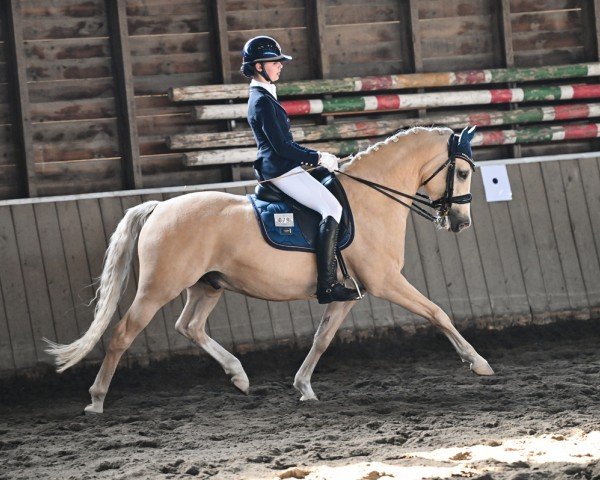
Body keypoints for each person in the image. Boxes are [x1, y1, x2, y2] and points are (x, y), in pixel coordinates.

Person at [241, 36, 360, 304]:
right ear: (259, 66)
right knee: (332, 208)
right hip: (280, 170)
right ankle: (327, 285)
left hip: (284, 166)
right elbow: (282, 147)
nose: (280, 66)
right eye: (275, 62)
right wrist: (317, 156)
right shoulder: (261, 101)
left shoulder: (265, 95)